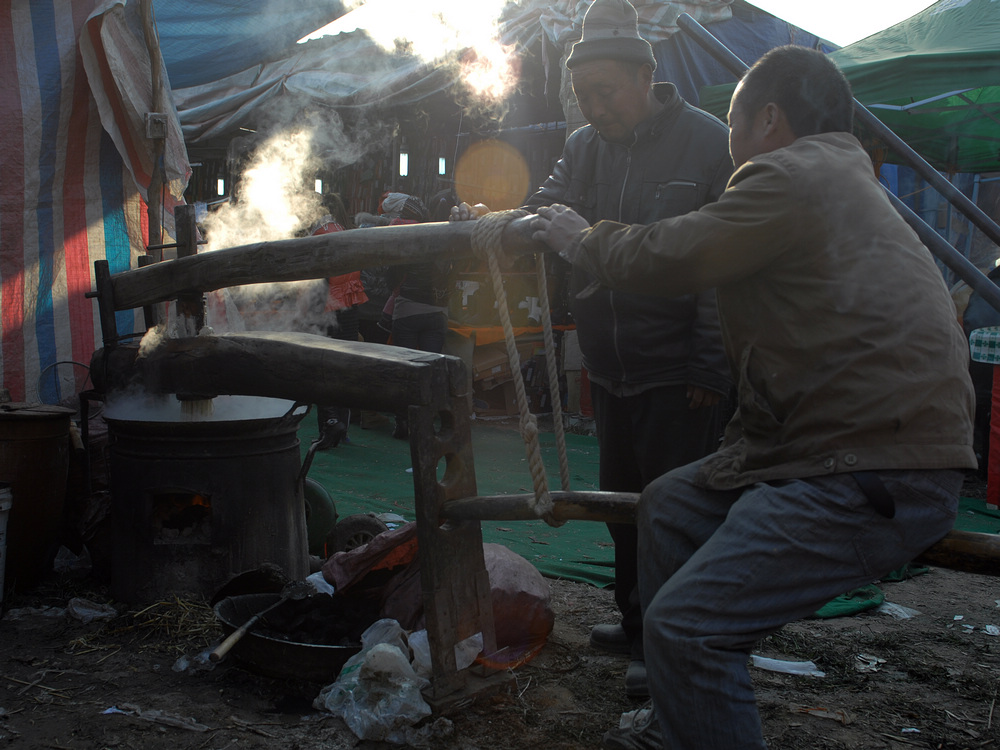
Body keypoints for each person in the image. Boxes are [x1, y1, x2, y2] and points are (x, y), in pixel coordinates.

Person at [533, 45, 976, 750]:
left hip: (870, 465)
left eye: (736, 122)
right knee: (670, 502)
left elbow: (678, 254)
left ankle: (686, 677)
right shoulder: (835, 176)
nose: (732, 142)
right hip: (833, 448)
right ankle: (679, 723)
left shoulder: (793, 173)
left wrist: (583, 239)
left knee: (690, 624)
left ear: (768, 118)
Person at [453, 0, 732, 696]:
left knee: (674, 514)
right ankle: (637, 625)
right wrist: (497, 224)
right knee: (621, 510)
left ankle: (675, 646)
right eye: (583, 95)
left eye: (603, 93)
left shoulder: (708, 143)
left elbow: (723, 262)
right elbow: (548, 207)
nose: (594, 107)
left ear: (646, 77)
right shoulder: (583, 147)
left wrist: (710, 360)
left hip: (678, 368)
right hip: (612, 365)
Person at [380, 192, 452, 440]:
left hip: (408, 309)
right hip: (438, 312)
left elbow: (392, 276)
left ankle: (403, 423)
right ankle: (427, 423)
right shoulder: (449, 242)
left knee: (406, 369)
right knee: (430, 369)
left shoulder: (407, 238)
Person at [311, 193, 368, 449]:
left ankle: (330, 425)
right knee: (344, 368)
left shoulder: (316, 235)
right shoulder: (346, 231)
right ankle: (342, 429)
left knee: (322, 368)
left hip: (328, 309)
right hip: (351, 308)